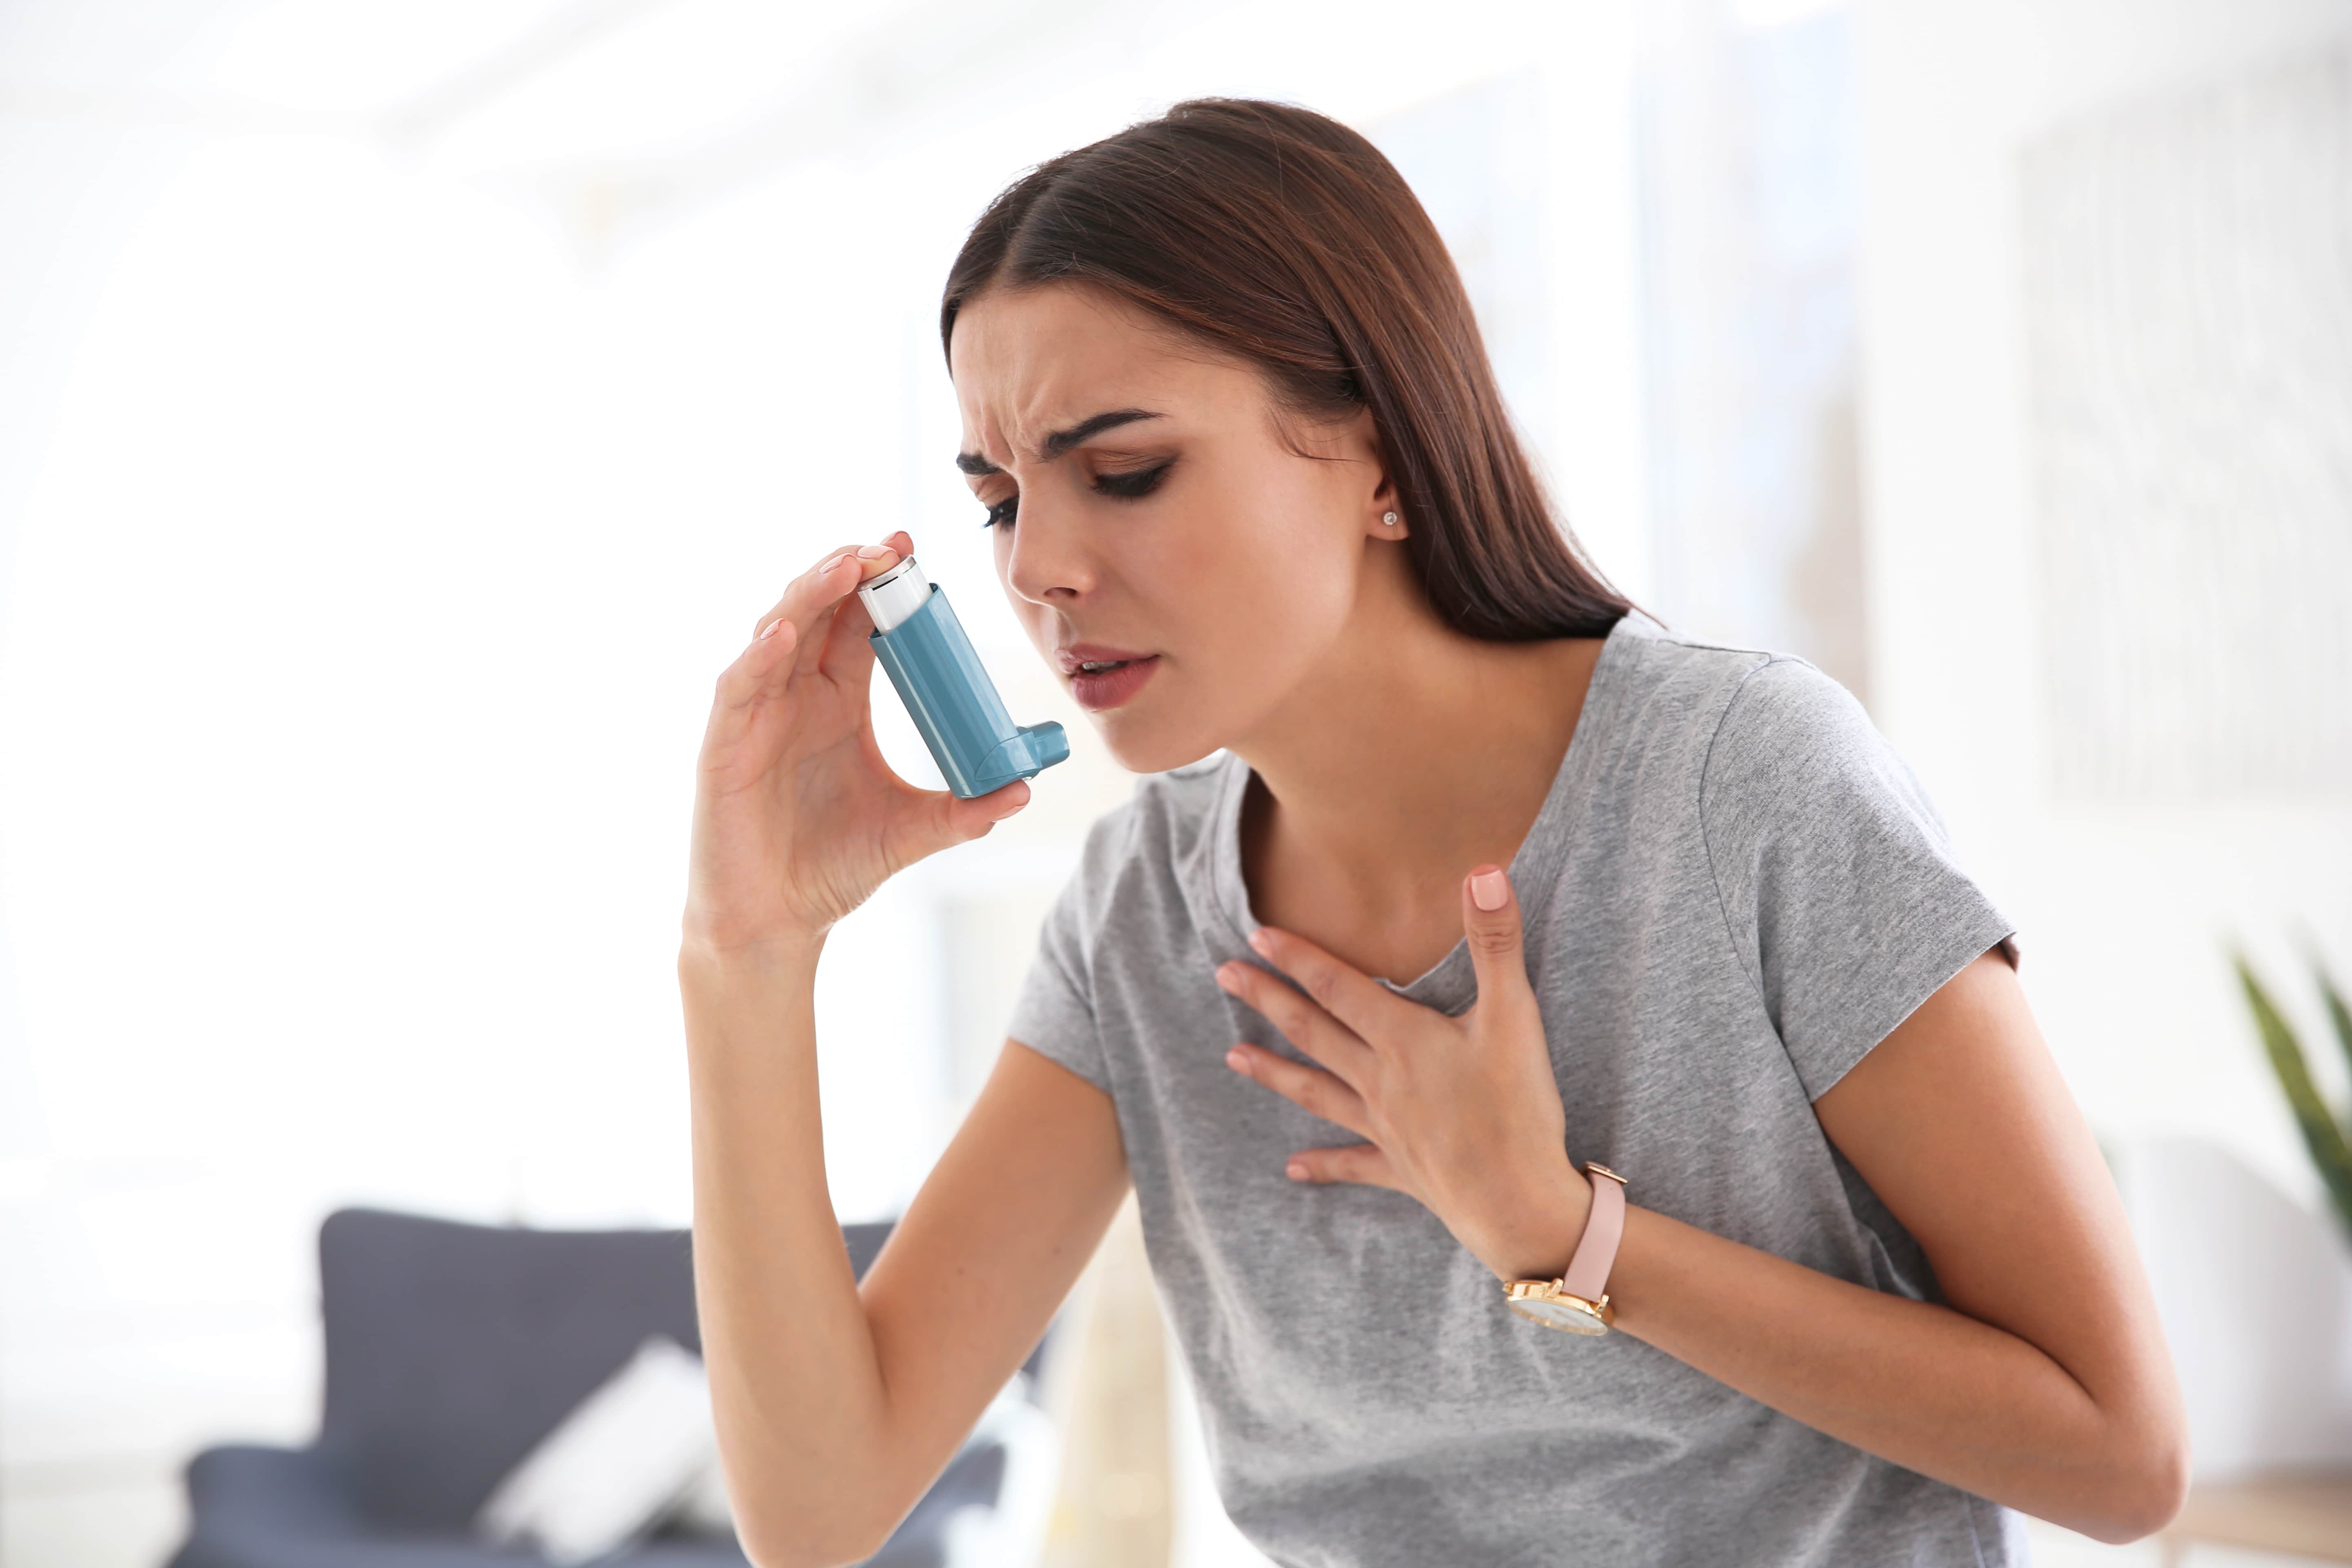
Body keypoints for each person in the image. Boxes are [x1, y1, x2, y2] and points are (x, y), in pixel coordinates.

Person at [679, 99, 2186, 1568]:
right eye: (1001, 500)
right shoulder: (1141, 913)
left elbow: (2120, 1454)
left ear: (1386, 457)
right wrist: (745, 956)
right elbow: (818, 1516)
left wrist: (1563, 1233)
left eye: (1125, 469)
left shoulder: (1739, 786)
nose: (1043, 567)